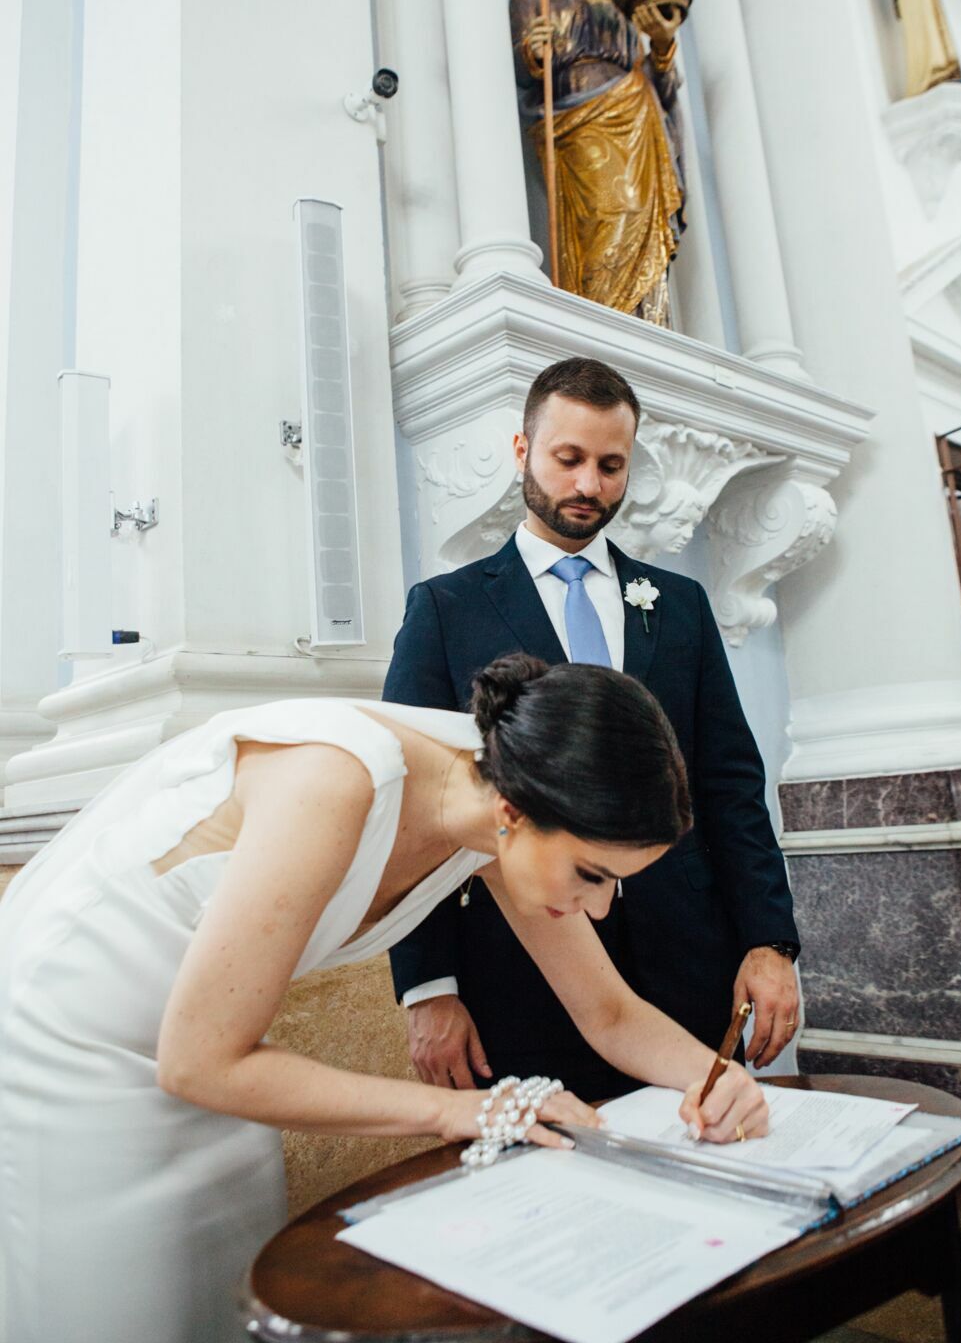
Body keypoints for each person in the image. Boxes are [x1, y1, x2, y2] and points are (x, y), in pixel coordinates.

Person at [0, 656, 769, 1343]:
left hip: (213, 1044)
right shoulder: (332, 781)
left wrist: (715, 1075)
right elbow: (199, 1063)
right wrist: (464, 1110)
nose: (599, 908)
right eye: (591, 875)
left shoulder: (501, 809)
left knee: (221, 1301)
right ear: (512, 814)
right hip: (70, 1040)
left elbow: (606, 1012)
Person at [387, 357, 800, 1101]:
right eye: (567, 458)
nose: (588, 486)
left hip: (686, 958)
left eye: (611, 466)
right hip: (515, 966)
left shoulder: (678, 606)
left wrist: (768, 943)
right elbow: (414, 808)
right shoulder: (445, 609)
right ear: (523, 452)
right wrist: (428, 986)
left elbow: (730, 784)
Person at [511, 0, 685, 324]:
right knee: (612, 216)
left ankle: (648, 325)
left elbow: (664, 90)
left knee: (643, 223)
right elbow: (529, 72)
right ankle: (606, 324)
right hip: (580, 127)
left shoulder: (622, 4)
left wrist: (664, 47)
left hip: (642, 125)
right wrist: (535, 51)